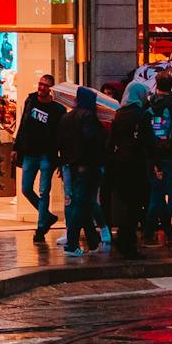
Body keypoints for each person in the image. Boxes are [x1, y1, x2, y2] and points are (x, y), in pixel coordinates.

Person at [58, 85, 109, 257]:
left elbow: (61, 143)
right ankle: (72, 244)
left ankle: (93, 242)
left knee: (83, 204)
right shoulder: (88, 117)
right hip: (87, 166)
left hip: (71, 165)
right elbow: (92, 141)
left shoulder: (66, 117)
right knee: (82, 205)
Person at [14, 73, 62, 242]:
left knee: (44, 191)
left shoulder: (57, 109)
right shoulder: (31, 100)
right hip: (30, 152)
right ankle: (47, 216)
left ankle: (41, 228)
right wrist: (16, 147)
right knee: (26, 189)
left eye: (45, 85)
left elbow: (59, 136)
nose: (41, 87)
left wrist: (59, 158)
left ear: (51, 89)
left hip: (47, 154)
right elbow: (23, 123)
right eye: (40, 84)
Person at [105, 82, 152, 257]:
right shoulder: (142, 115)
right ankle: (128, 241)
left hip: (119, 163)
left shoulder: (119, 114)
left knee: (125, 201)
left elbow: (111, 141)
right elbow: (147, 140)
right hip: (136, 163)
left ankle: (124, 238)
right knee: (136, 203)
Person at [144, 70, 172, 242]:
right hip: (170, 156)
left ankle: (152, 228)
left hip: (152, 156)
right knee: (171, 193)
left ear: (156, 84)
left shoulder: (148, 106)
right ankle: (165, 227)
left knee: (155, 192)